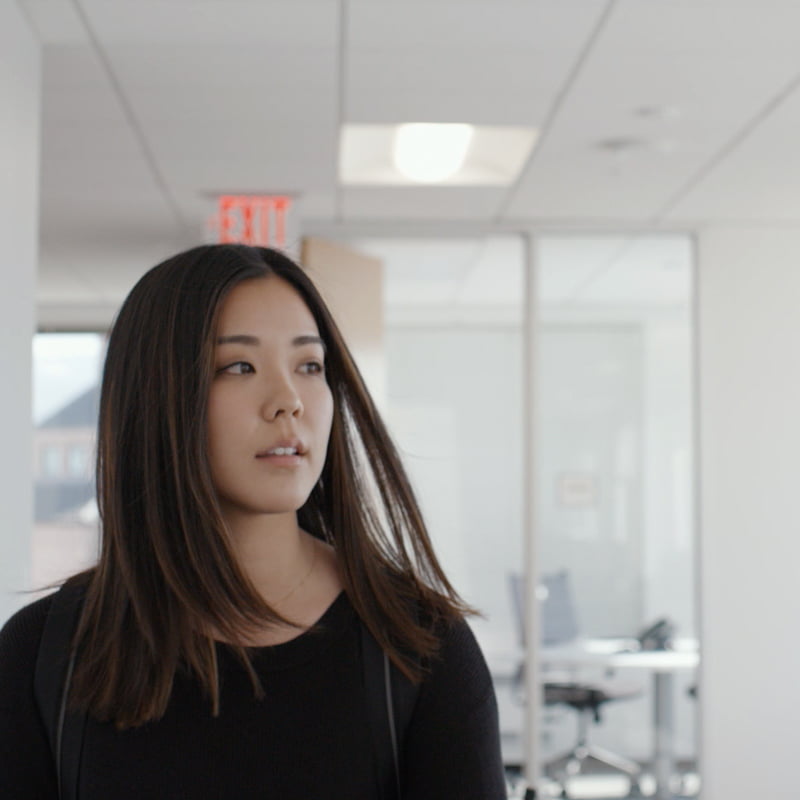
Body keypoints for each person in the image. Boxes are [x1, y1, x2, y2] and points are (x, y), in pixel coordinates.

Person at [0, 244, 506, 799]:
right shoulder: (42, 653)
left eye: (309, 365)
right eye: (238, 366)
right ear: (156, 395)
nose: (288, 400)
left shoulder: (420, 647)